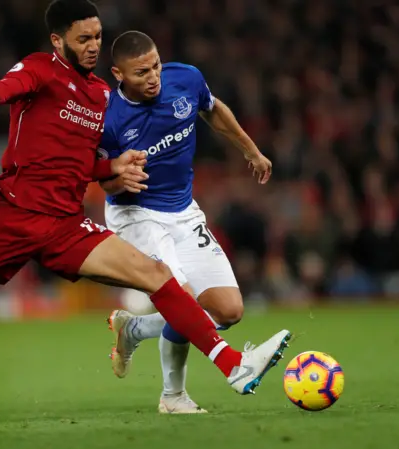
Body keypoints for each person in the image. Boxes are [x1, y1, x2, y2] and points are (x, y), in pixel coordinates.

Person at [0, 0, 290, 429]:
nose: (92, 47)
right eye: (83, 39)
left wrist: (113, 167)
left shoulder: (98, 96)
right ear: (57, 40)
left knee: (155, 275)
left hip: (65, 224)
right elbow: (8, 89)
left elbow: (79, 163)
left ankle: (233, 366)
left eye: (96, 38)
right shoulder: (39, 69)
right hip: (10, 217)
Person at [100, 31, 274, 414]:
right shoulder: (108, 117)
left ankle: (135, 329)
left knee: (228, 311)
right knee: (183, 295)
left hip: (183, 210)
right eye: (141, 71)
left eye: (156, 65)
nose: (153, 77)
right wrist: (116, 179)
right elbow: (99, 175)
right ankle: (173, 397)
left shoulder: (186, 79)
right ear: (118, 74)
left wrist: (252, 151)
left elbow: (212, 109)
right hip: (136, 215)